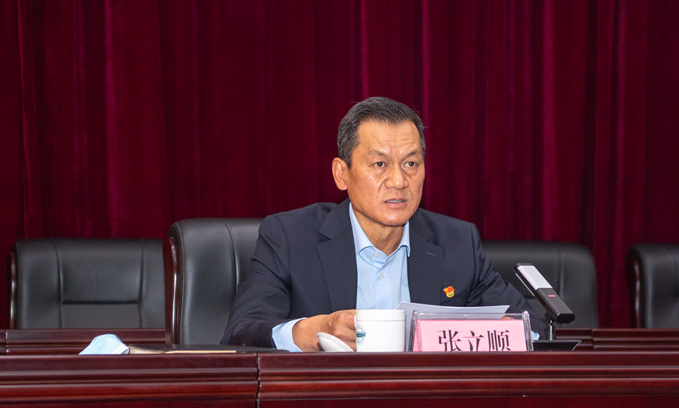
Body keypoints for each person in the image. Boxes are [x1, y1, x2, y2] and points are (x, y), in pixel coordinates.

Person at [221, 96, 545, 351]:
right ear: (341, 174)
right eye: (379, 164)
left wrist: (495, 334)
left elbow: (533, 330)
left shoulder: (457, 242)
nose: (399, 181)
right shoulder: (290, 237)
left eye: (411, 163)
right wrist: (313, 331)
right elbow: (241, 333)